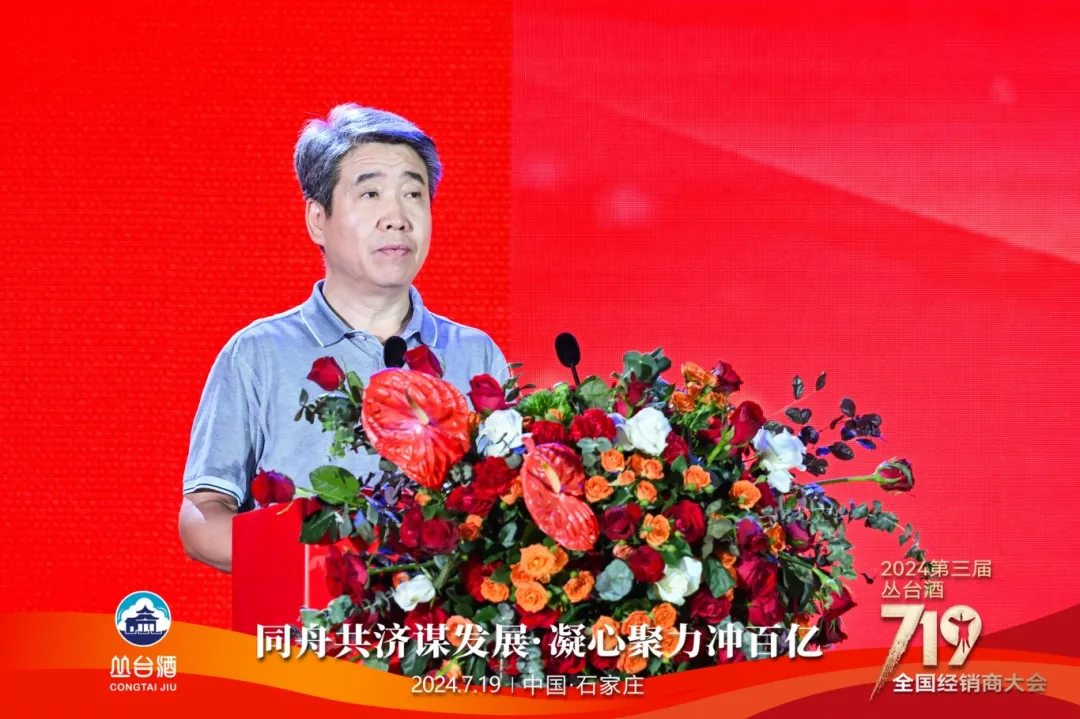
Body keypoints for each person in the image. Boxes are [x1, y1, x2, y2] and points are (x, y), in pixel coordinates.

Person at [178, 104, 509, 572]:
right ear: (317, 219)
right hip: (306, 614)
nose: (397, 217)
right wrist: (313, 564)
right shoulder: (259, 353)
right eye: (370, 193)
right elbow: (202, 515)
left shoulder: (475, 355)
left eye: (413, 194)